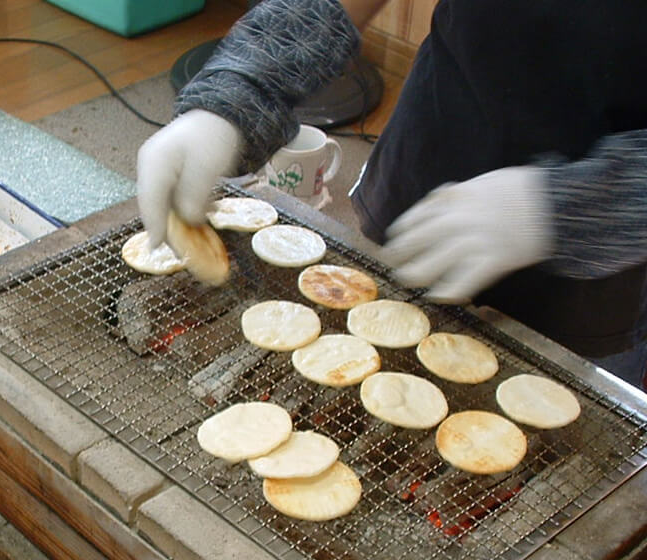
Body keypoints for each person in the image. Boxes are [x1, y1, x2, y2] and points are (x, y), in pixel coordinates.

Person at [137, 0, 647, 389]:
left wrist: (569, 209)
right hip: (431, 171)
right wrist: (240, 93)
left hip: (600, 269)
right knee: (370, 338)